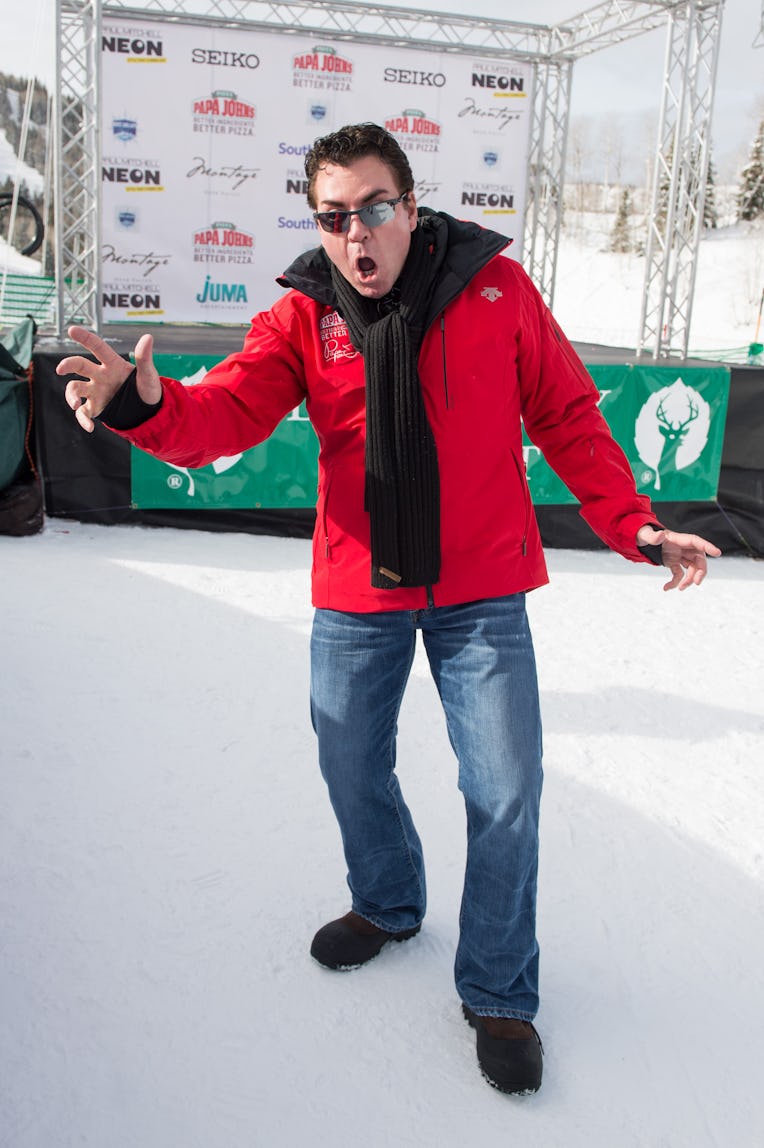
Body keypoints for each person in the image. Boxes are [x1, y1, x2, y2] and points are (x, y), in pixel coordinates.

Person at [57, 122, 721, 1095]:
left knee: (505, 790)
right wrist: (143, 405)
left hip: (480, 591)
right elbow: (226, 414)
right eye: (333, 216)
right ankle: (387, 899)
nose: (355, 233)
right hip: (358, 588)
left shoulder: (496, 289)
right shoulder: (302, 313)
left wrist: (635, 524)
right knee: (349, 760)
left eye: (373, 208)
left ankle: (498, 989)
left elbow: (569, 415)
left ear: (410, 207)